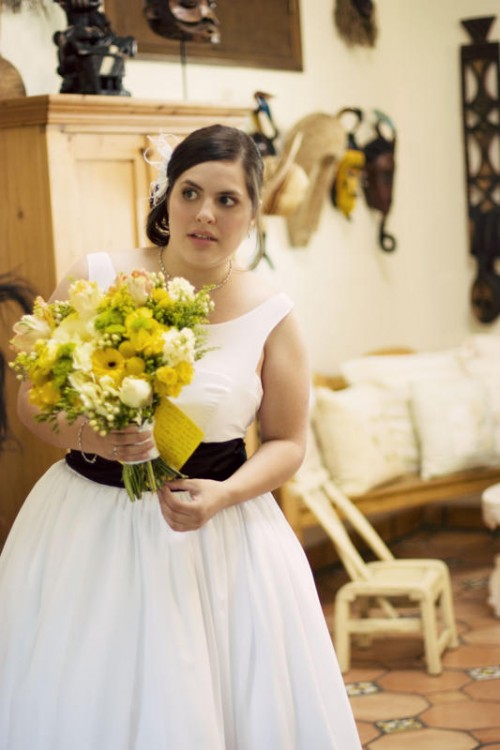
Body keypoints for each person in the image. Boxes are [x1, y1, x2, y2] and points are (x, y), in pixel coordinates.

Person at [0, 124, 362, 749]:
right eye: (191, 192)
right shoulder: (98, 277)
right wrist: (92, 433)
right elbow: (29, 402)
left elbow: (287, 443)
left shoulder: (271, 312)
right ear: (166, 195)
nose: (205, 214)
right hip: (87, 528)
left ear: (253, 215)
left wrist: (224, 497)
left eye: (229, 200)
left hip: (221, 537)